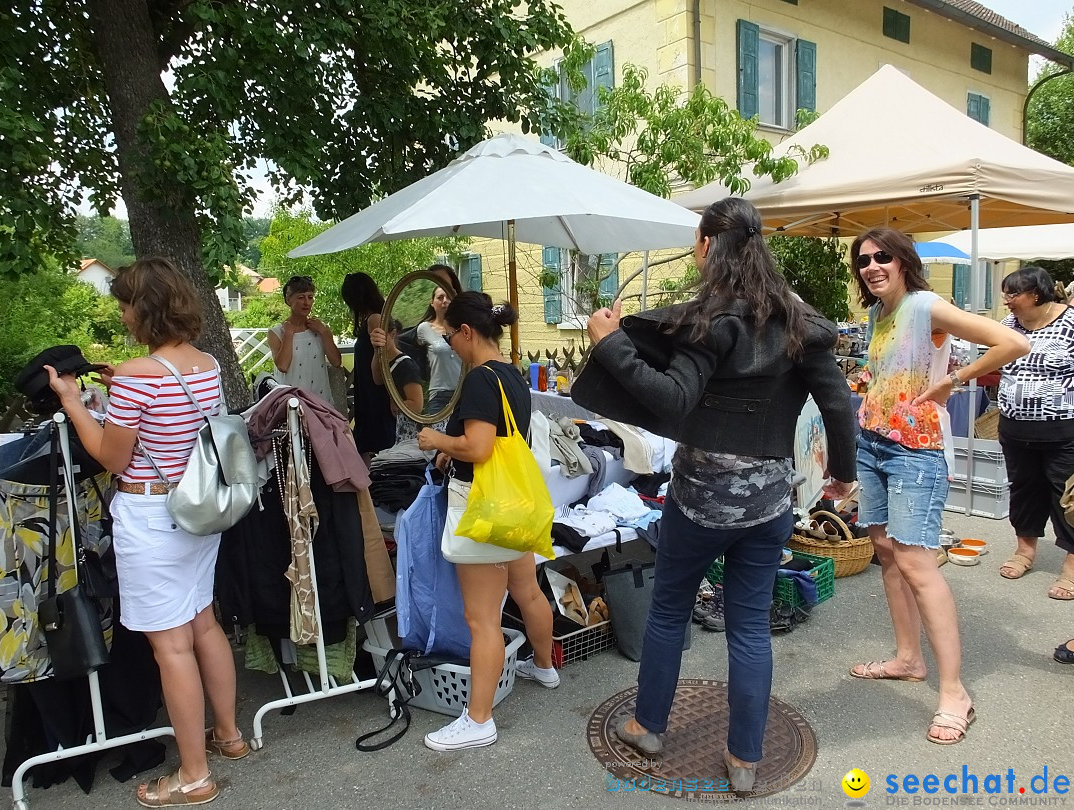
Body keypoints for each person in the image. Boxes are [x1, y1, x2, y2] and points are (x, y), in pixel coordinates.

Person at [573, 197, 858, 791]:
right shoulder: (800, 324)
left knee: (671, 609)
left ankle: (649, 727)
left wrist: (609, 343)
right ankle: (746, 760)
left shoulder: (710, 321)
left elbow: (672, 399)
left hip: (699, 502)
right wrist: (844, 476)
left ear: (705, 246)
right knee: (750, 627)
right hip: (771, 503)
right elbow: (838, 405)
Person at [45, 258, 248, 807]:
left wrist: (72, 403)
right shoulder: (205, 363)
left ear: (144, 308)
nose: (121, 313)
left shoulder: (137, 375)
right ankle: (228, 735)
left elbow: (112, 456)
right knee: (202, 623)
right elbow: (177, 416)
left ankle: (194, 776)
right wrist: (123, 385)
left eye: (124, 303)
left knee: (171, 646)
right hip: (199, 511)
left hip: (152, 515)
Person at [846, 228, 1028, 745]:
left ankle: (955, 693)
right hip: (873, 444)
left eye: (883, 257)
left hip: (915, 452)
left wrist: (957, 378)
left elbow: (1013, 341)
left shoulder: (927, 305)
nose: (873, 266)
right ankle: (908, 658)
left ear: (904, 261)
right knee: (885, 552)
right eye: (864, 260)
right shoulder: (880, 313)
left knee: (917, 563)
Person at [415, 292, 558, 751]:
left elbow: (477, 448)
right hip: (514, 503)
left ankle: (478, 720)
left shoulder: (478, 379)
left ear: (466, 332)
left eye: (450, 335)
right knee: (527, 589)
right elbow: (495, 439)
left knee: (481, 620)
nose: (451, 345)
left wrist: (437, 438)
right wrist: (448, 449)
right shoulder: (512, 374)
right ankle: (544, 665)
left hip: (484, 505)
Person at [993, 267, 1074, 598]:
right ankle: (1025, 550)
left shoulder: (1070, 323)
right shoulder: (1006, 326)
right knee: (1024, 489)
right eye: (1006, 294)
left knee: (1066, 496)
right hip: (1014, 427)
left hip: (1063, 429)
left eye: (1014, 294)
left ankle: (1071, 567)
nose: (1007, 301)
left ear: (1037, 295)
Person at [341, 272, 395, 460]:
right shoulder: (370, 318)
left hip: (375, 389)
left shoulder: (374, 319)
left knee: (375, 441)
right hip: (368, 389)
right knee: (367, 442)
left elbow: (383, 354)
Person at [268, 275, 342, 407]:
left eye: (310, 297)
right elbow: (283, 366)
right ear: (288, 300)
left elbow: (336, 362)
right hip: (291, 401)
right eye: (301, 297)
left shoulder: (320, 329)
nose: (306, 302)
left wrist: (324, 333)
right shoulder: (277, 332)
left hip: (320, 400)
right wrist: (289, 335)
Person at [415, 266, 463, 414]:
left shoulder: (464, 327)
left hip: (464, 391)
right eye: (440, 298)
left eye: (448, 297)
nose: (445, 301)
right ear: (432, 302)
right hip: (439, 394)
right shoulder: (424, 329)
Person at [369, 318, 425, 443]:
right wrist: (376, 349)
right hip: (386, 427)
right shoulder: (384, 361)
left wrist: (397, 404)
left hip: (403, 434)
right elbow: (377, 379)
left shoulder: (406, 366)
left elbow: (417, 404)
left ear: (392, 334)